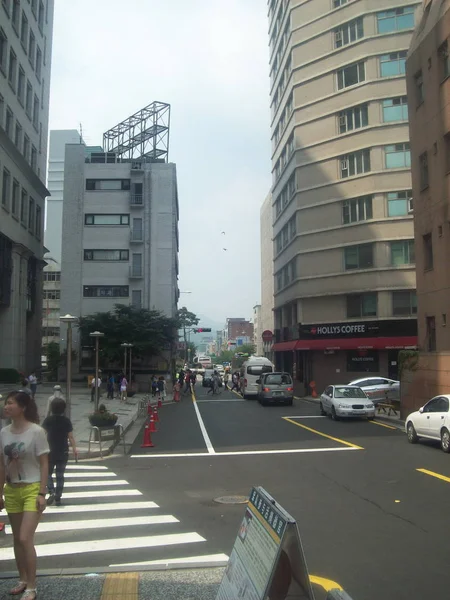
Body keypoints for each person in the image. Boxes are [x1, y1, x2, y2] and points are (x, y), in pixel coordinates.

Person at [0, 391, 49, 600]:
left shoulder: (37, 431)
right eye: (5, 403)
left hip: (31, 488)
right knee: (16, 540)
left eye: (10, 403)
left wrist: (42, 493)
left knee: (24, 537)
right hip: (11, 489)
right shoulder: (3, 432)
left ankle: (32, 585)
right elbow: (1, 464)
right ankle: (22, 579)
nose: (6, 406)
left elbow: (45, 463)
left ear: (22, 407)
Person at [42, 397, 77, 507]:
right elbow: (70, 437)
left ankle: (51, 491)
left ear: (52, 408)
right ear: (64, 409)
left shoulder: (48, 420)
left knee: (47, 473)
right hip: (63, 451)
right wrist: (74, 449)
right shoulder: (66, 421)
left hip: (50, 450)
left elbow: (42, 434)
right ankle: (58, 497)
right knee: (60, 475)